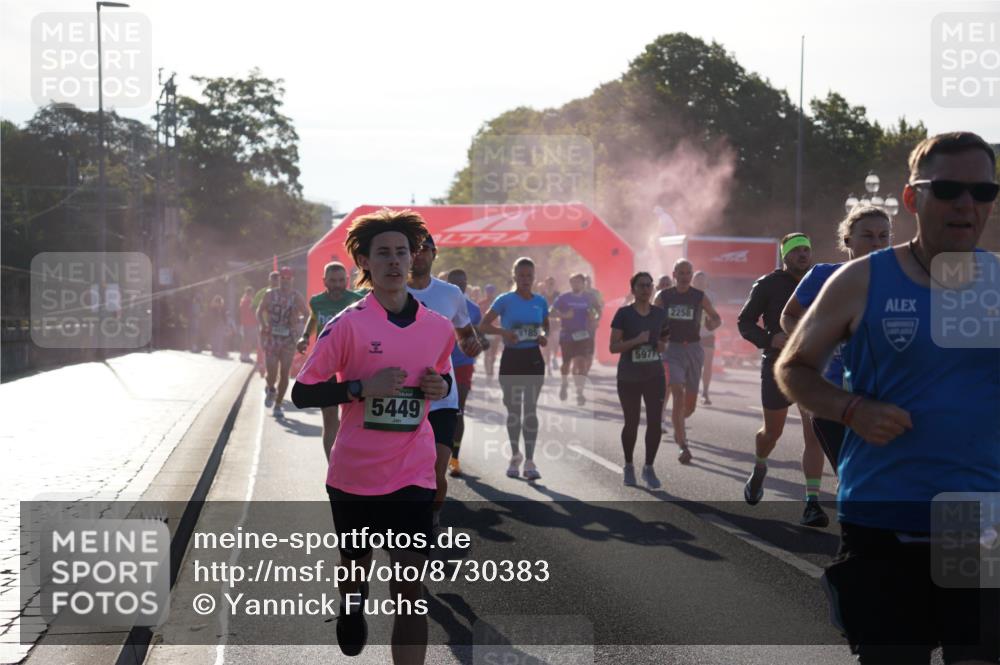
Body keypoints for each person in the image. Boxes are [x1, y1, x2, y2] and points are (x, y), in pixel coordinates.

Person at [776, 132, 1000, 664]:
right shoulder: (862, 280)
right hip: (884, 517)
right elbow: (794, 368)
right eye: (946, 188)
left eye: (983, 191)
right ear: (911, 198)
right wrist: (852, 410)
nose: (966, 203)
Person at [291, 208, 453, 664]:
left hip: (412, 476)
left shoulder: (438, 328)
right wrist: (360, 388)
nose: (395, 261)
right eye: (383, 253)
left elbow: (442, 380)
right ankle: (351, 603)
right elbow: (302, 392)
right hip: (355, 478)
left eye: (403, 252)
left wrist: (440, 387)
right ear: (364, 261)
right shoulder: (347, 324)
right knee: (356, 571)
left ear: (415, 257)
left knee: (410, 591)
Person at [779, 206, 892, 471]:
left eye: (883, 236)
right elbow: (788, 315)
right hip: (832, 400)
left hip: (883, 399)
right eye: (868, 236)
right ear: (848, 240)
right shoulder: (822, 275)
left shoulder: (901, 280)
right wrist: (812, 340)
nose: (876, 243)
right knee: (853, 475)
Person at [738, 232, 829, 528]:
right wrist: (768, 338)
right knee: (771, 434)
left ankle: (812, 503)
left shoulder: (819, 280)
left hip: (810, 367)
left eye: (806, 249)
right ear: (785, 255)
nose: (803, 254)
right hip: (777, 366)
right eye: (797, 250)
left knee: (813, 434)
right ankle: (760, 466)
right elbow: (744, 321)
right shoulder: (768, 284)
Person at [407, 235, 481, 527]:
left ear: (434, 254)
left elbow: (465, 333)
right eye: (413, 250)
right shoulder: (389, 292)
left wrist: (471, 344)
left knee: (437, 470)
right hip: (401, 398)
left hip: (442, 397)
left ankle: (432, 516)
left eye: (425, 249)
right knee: (406, 470)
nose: (418, 255)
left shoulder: (451, 294)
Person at [480, 258, 550, 480]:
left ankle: (529, 461)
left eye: (529, 275)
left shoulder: (541, 301)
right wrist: (504, 333)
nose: (526, 279)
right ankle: (515, 455)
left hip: (533, 359)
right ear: (515, 277)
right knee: (513, 411)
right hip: (511, 359)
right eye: (521, 275)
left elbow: (545, 325)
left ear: (534, 277)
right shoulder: (505, 300)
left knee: (530, 410)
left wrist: (543, 337)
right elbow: (483, 324)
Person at [655, 260, 722, 464]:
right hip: (672, 349)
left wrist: (711, 324)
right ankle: (683, 444)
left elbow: (716, 318)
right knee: (677, 391)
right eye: (681, 273)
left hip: (693, 349)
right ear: (674, 274)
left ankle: (678, 425)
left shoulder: (699, 296)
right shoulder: (663, 296)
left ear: (691, 275)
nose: (685, 276)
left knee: (689, 407)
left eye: (688, 273)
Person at [297, 261, 363, 460]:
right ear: (324, 281)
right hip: (326, 368)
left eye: (341, 281)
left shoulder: (358, 300)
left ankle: (352, 463)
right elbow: (314, 317)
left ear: (347, 281)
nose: (337, 285)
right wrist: (305, 335)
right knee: (329, 419)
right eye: (332, 281)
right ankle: (332, 467)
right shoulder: (317, 301)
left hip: (353, 368)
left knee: (352, 420)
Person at [610, 272, 670, 488]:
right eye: (641, 285)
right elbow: (613, 346)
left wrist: (662, 345)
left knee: (654, 422)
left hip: (654, 375)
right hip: (629, 376)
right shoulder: (624, 314)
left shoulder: (660, 314)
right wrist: (636, 340)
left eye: (649, 285)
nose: (646, 289)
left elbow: (664, 338)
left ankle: (649, 468)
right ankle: (628, 465)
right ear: (633, 289)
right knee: (632, 422)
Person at [446, 268, 484, 477]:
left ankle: (455, 458)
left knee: (458, 410)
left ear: (467, 284)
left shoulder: (474, 309)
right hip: (438, 363)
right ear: (449, 283)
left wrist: (480, 344)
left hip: (462, 364)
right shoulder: (439, 302)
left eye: (463, 282)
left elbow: (477, 336)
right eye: (455, 282)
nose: (459, 286)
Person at [257, 266, 309, 417]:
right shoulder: (270, 294)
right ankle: (271, 387)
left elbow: (306, 315)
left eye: (288, 278)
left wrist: (298, 321)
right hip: (272, 337)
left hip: (288, 339)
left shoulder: (296, 296)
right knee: (271, 370)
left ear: (292, 279)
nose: (285, 281)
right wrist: (264, 324)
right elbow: (259, 311)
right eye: (283, 278)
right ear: (278, 279)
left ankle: (278, 404)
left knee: (285, 372)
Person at [552, 274, 595, 405]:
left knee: (582, 363)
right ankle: (564, 383)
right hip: (567, 335)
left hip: (582, 335)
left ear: (583, 283)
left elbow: (594, 312)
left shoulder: (588, 298)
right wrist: (564, 315)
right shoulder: (564, 297)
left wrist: (593, 316)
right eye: (573, 282)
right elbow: (550, 312)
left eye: (578, 282)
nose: (576, 284)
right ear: (570, 283)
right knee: (566, 364)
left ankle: (579, 392)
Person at [691, 271, 716, 405]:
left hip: (707, 334)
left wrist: (712, 323)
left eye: (703, 280)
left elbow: (714, 315)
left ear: (707, 282)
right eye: (697, 280)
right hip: (691, 335)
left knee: (707, 364)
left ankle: (705, 392)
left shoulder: (712, 296)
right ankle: (690, 391)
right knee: (692, 365)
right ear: (693, 282)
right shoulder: (687, 295)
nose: (700, 282)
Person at [252, 271, 280, 377]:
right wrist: (261, 321)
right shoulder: (263, 292)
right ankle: (262, 366)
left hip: (279, 327)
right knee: (263, 347)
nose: (275, 282)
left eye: (277, 280)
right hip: (265, 325)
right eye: (273, 280)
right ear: (269, 280)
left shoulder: (284, 292)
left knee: (278, 349)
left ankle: (275, 371)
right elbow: (254, 307)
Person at [539, 276, 561, 372]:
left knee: (556, 341)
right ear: (545, 284)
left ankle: (554, 358)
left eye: (552, 283)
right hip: (544, 323)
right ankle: (548, 366)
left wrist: (559, 315)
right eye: (549, 283)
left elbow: (562, 307)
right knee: (546, 345)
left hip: (555, 322)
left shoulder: (558, 295)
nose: (550, 285)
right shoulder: (541, 296)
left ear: (554, 284)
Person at [478, 284, 499, 380]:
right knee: (487, 352)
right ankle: (488, 371)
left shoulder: (498, 303)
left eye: (491, 292)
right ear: (485, 292)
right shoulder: (481, 303)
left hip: (495, 330)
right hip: (485, 330)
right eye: (488, 292)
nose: (490, 294)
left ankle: (492, 365)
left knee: (494, 353)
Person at [238, 286, 258, 363]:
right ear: (250, 293)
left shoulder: (242, 300)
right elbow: (253, 312)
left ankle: (243, 355)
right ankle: (246, 355)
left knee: (245, 340)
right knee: (248, 340)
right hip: (250, 323)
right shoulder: (249, 301)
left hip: (244, 323)